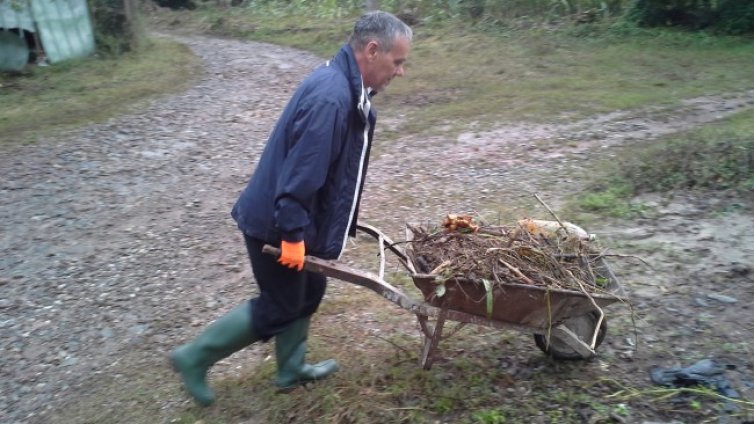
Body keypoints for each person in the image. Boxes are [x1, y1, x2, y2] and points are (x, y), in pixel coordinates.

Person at [171, 11, 413, 406]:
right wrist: (293, 237)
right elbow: (300, 179)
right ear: (372, 51)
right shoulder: (331, 98)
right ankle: (194, 357)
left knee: (310, 291)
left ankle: (290, 369)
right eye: (397, 62)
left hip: (298, 219)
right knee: (280, 306)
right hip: (277, 222)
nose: (400, 72)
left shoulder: (343, 86)